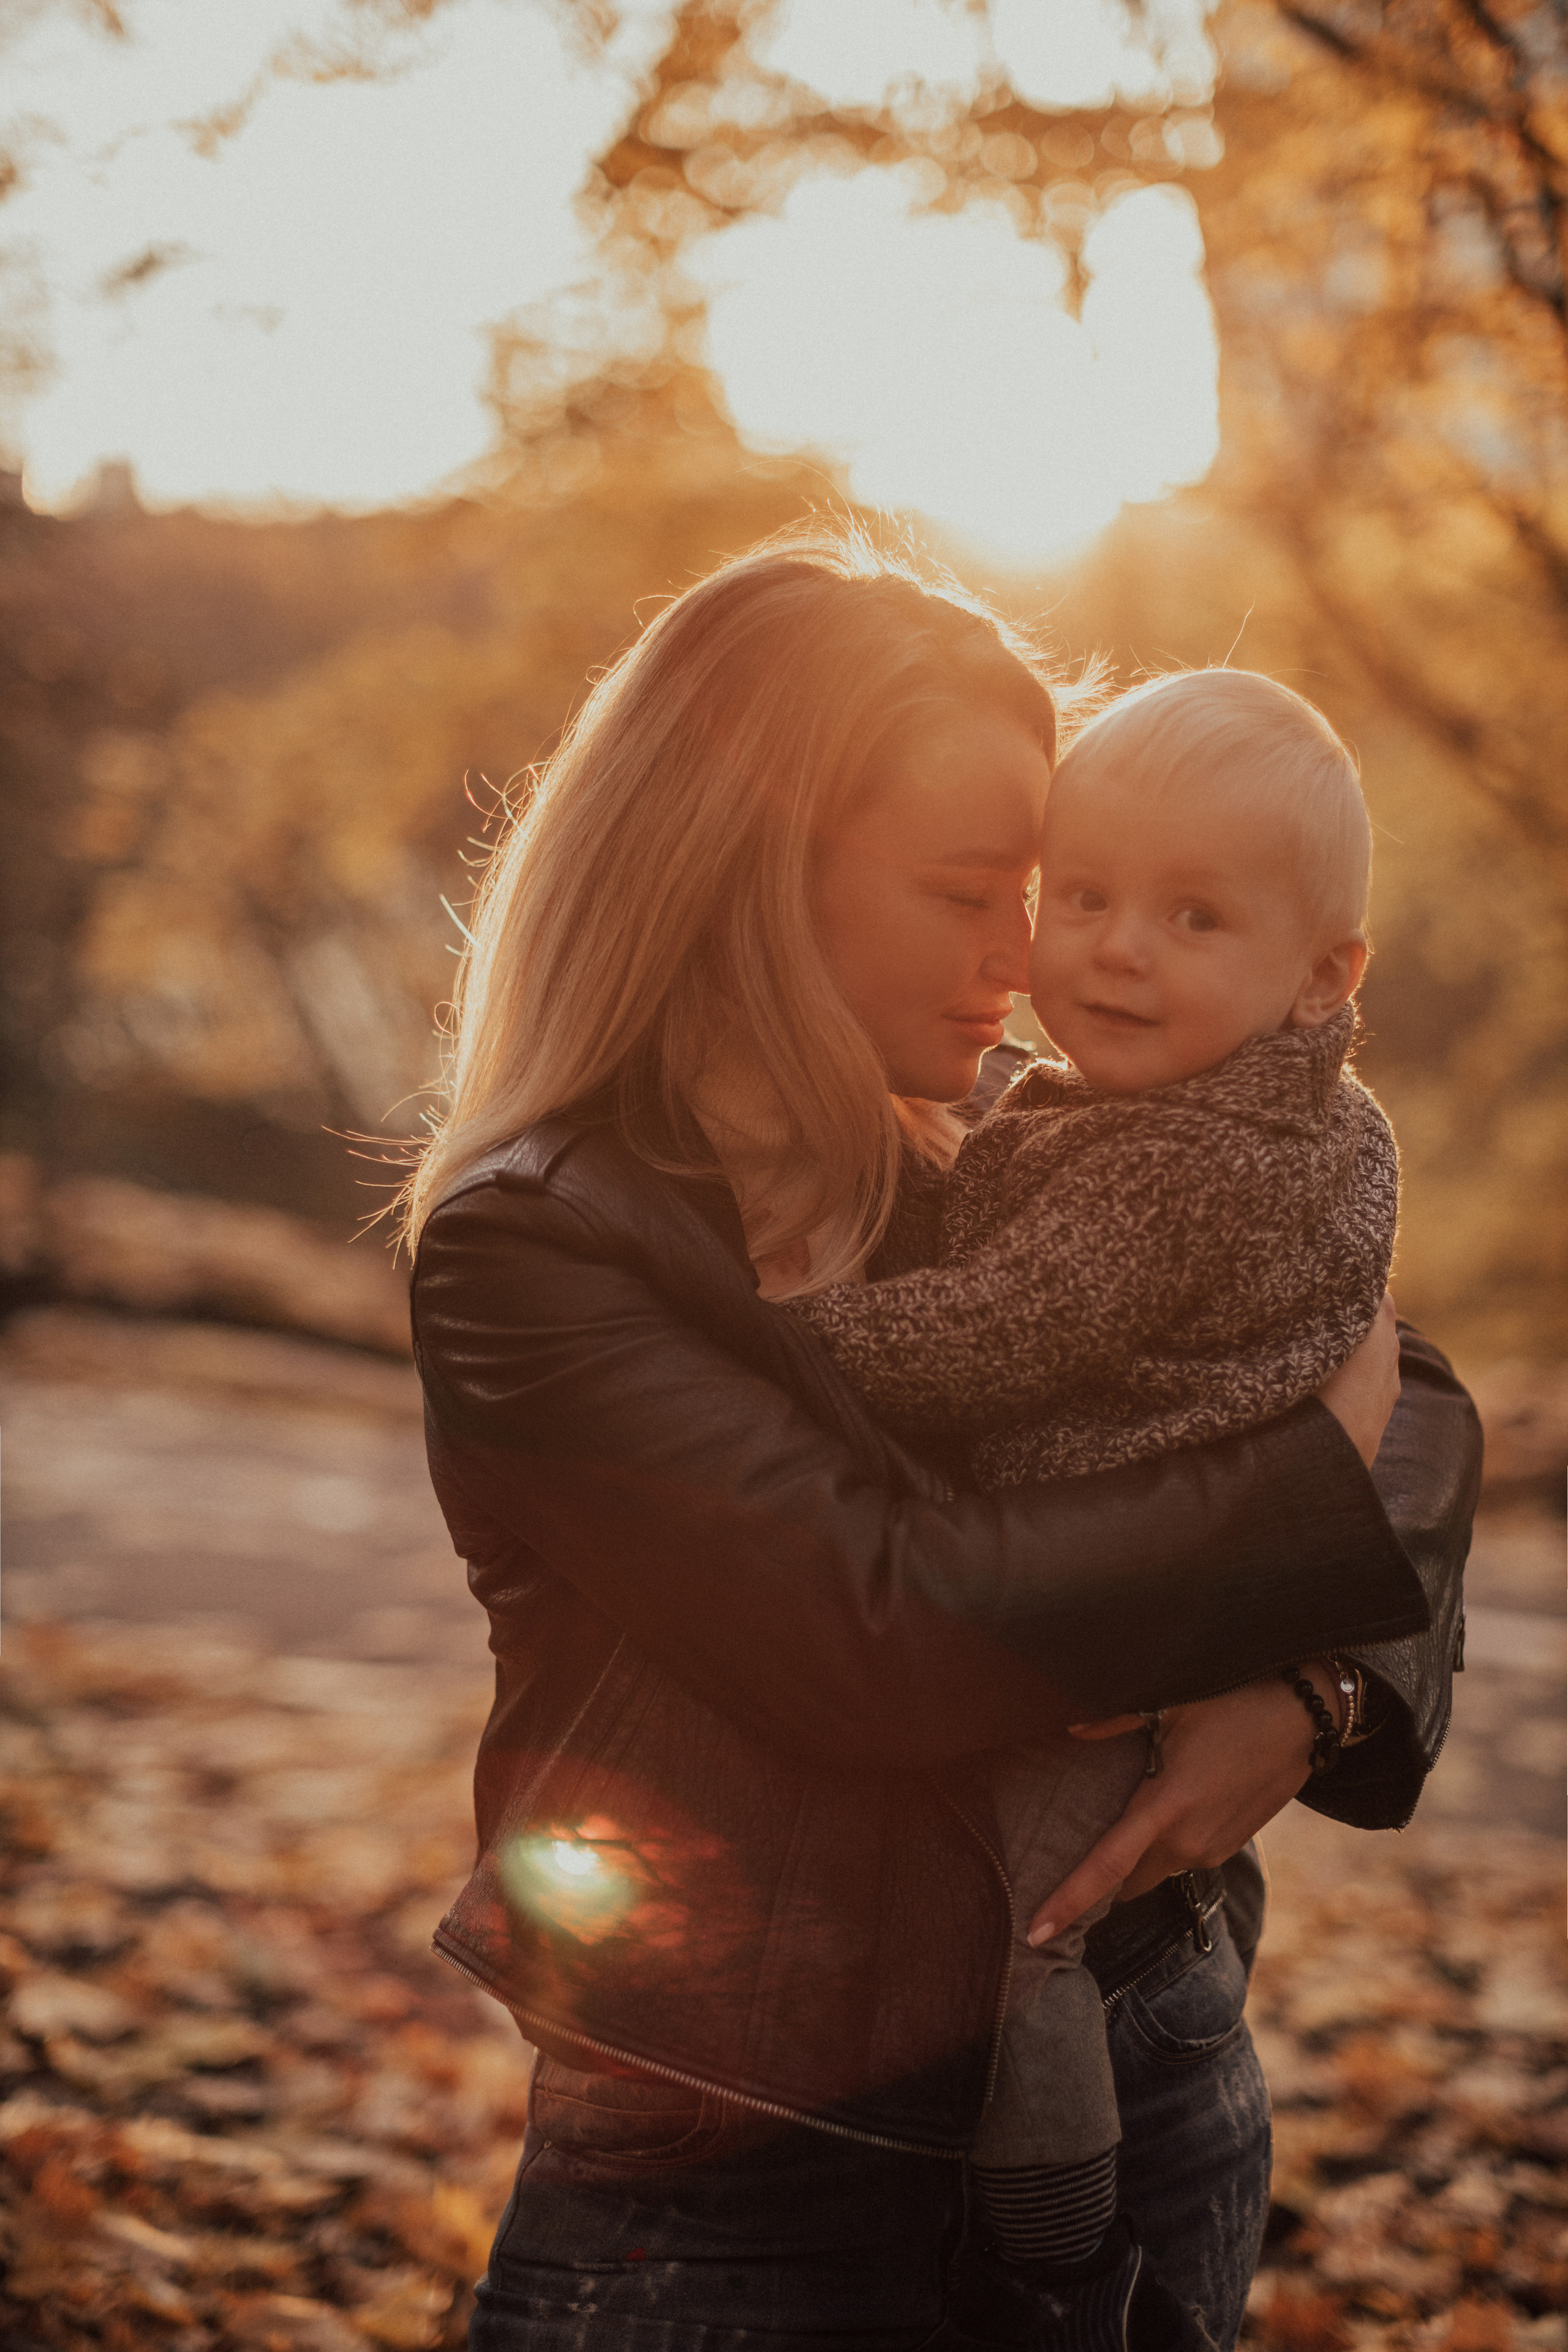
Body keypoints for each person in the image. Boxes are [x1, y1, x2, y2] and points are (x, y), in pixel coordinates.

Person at [404, 532, 1479, 2352]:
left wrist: (1314, 1697)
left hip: (1146, 2056)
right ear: (753, 874)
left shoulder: (1012, 1124)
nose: (1034, 955)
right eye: (980, 891)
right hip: (739, 2142)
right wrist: (1313, 1495)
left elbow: (1411, 1398)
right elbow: (883, 1637)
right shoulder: (546, 1240)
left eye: (1038, 890)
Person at [786, 668, 1399, 2328]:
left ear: (1318, 976)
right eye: (1088, 897)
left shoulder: (1178, 1163)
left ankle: (1050, 2216)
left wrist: (777, 1333)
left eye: (1194, 917)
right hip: (1159, 1593)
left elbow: (993, 1339)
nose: (1113, 949)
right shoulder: (1254, 1115)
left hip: (1110, 1651)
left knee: (1042, 1909)